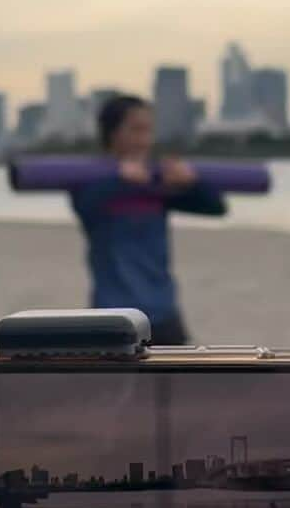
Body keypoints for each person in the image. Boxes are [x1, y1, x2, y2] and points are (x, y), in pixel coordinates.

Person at [69, 94, 227, 345]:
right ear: (112, 133)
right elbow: (86, 207)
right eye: (136, 130)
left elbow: (216, 207)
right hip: (113, 315)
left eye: (148, 130)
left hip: (163, 311)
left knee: (180, 384)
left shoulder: (156, 182)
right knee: (117, 386)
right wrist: (118, 181)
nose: (144, 140)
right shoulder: (90, 180)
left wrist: (193, 183)